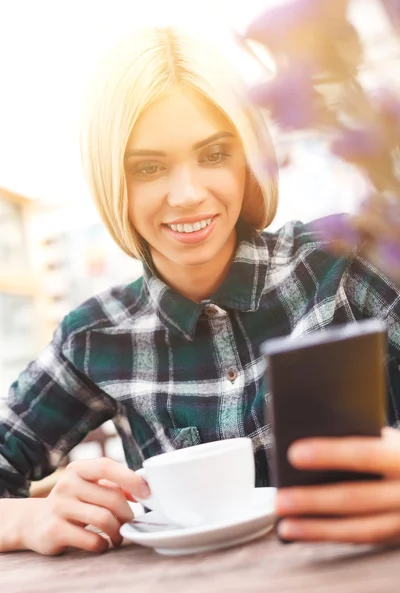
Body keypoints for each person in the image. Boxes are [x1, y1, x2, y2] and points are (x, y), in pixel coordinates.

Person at [1, 25, 400, 556]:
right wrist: (28, 517)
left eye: (213, 155)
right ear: (111, 180)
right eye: (148, 167)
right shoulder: (94, 337)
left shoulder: (348, 261)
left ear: (248, 158)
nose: (187, 194)